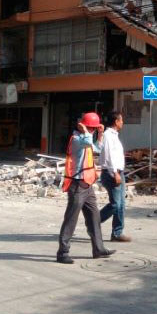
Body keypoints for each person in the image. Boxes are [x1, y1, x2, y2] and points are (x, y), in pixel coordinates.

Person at [56, 112, 114, 264]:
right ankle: (63, 252)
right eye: (91, 128)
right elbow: (88, 142)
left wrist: (100, 134)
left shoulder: (86, 138)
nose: (93, 131)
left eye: (94, 128)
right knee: (71, 219)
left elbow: (97, 149)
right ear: (83, 126)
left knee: (94, 217)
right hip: (77, 184)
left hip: (87, 185)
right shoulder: (76, 139)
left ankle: (98, 249)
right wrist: (87, 131)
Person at [99, 110, 131, 242]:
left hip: (119, 172)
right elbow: (108, 155)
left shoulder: (114, 135)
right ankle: (93, 221)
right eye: (121, 120)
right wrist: (115, 173)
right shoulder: (108, 135)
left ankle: (117, 233)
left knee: (121, 204)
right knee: (115, 204)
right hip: (111, 173)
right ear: (116, 121)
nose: (123, 122)